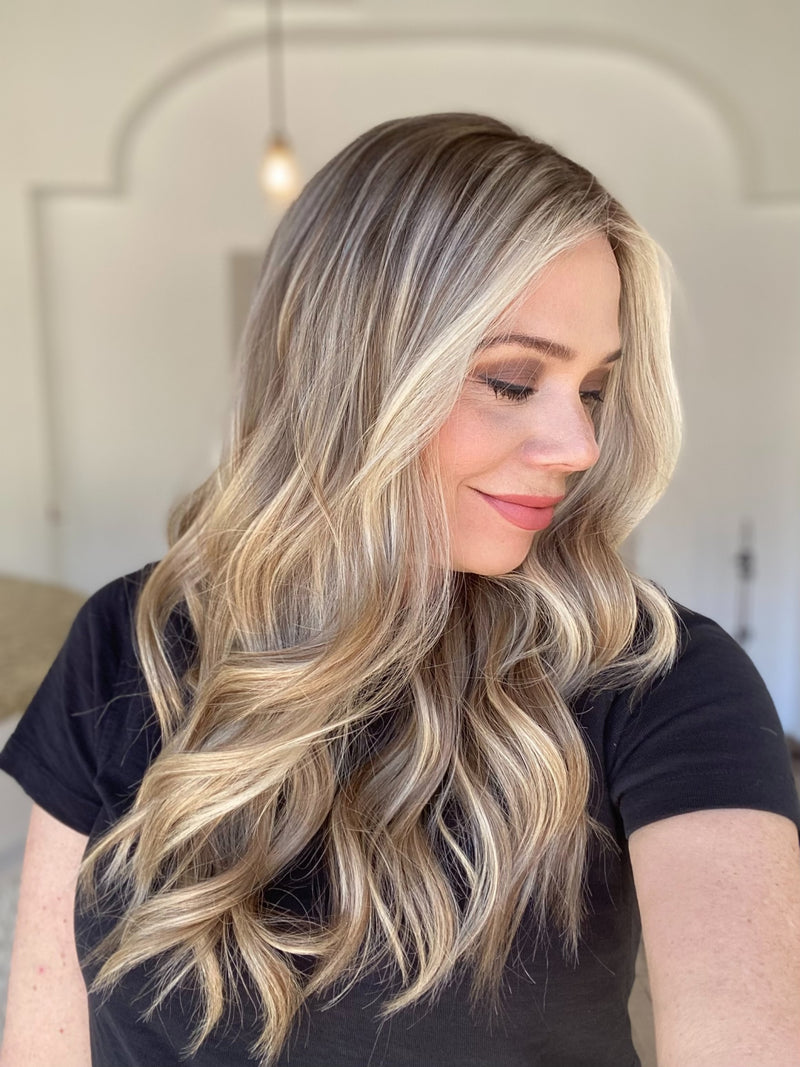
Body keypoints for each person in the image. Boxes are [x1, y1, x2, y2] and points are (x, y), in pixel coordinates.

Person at [1, 112, 798, 1067]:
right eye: (513, 381)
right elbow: (44, 1041)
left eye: (593, 389)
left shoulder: (663, 679)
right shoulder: (132, 643)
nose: (581, 446)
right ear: (346, 374)